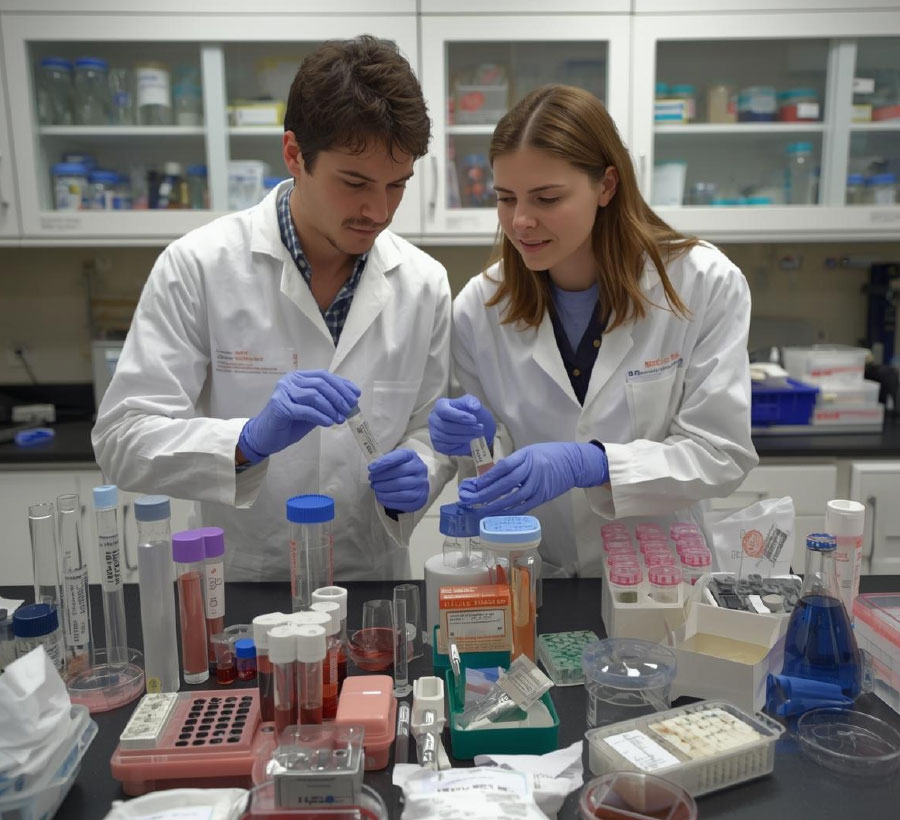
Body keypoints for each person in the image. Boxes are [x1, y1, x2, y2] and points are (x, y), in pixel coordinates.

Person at [93, 36, 454, 580]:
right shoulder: (199, 265)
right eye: (354, 182)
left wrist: (423, 469)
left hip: (373, 591)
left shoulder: (424, 284)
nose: (377, 210)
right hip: (244, 590)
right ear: (293, 154)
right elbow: (122, 437)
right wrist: (244, 442)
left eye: (396, 185)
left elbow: (430, 430)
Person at [429, 85, 758, 578]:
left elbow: (721, 454)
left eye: (547, 197)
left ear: (606, 185)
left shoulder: (703, 284)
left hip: (659, 584)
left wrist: (596, 463)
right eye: (506, 198)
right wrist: (474, 444)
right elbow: (489, 471)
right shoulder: (480, 306)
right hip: (539, 577)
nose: (520, 221)